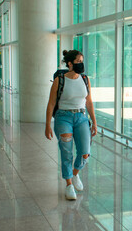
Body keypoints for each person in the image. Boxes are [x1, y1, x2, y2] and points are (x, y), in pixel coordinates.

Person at [45, 50, 97, 200]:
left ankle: (75, 174)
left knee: (85, 152)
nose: (81, 64)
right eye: (78, 61)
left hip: (81, 117)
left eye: (82, 61)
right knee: (66, 153)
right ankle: (68, 185)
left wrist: (94, 121)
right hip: (63, 117)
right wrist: (48, 124)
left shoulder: (85, 80)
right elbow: (51, 103)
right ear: (69, 63)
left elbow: (89, 102)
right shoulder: (59, 80)